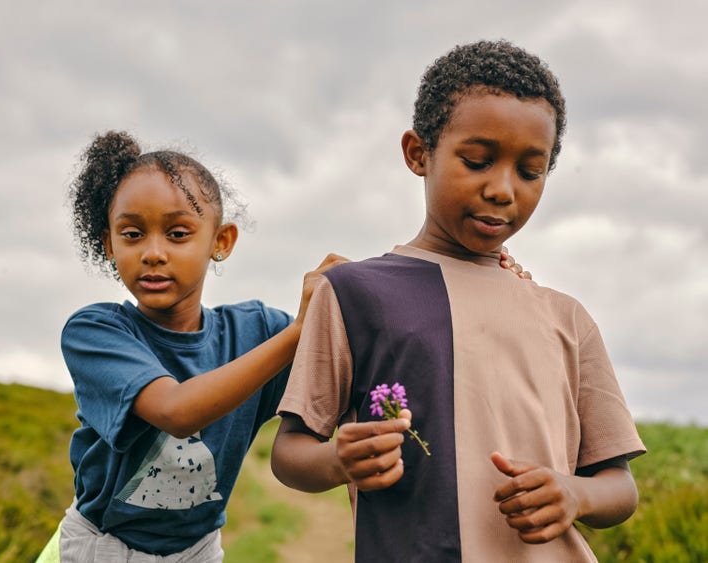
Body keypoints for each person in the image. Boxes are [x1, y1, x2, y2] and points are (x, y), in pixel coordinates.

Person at [271, 39, 645, 562]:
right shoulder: (355, 293)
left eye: (530, 171)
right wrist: (339, 461)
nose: (502, 189)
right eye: (476, 161)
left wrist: (575, 493)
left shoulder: (567, 318)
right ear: (418, 153)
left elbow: (619, 487)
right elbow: (290, 452)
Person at [35, 130, 349, 562]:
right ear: (108, 244)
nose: (153, 253)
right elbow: (176, 412)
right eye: (132, 234)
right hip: (102, 549)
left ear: (220, 242)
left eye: (178, 233)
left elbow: (346, 371)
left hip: (198, 551)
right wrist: (298, 333)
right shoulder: (96, 331)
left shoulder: (257, 331)